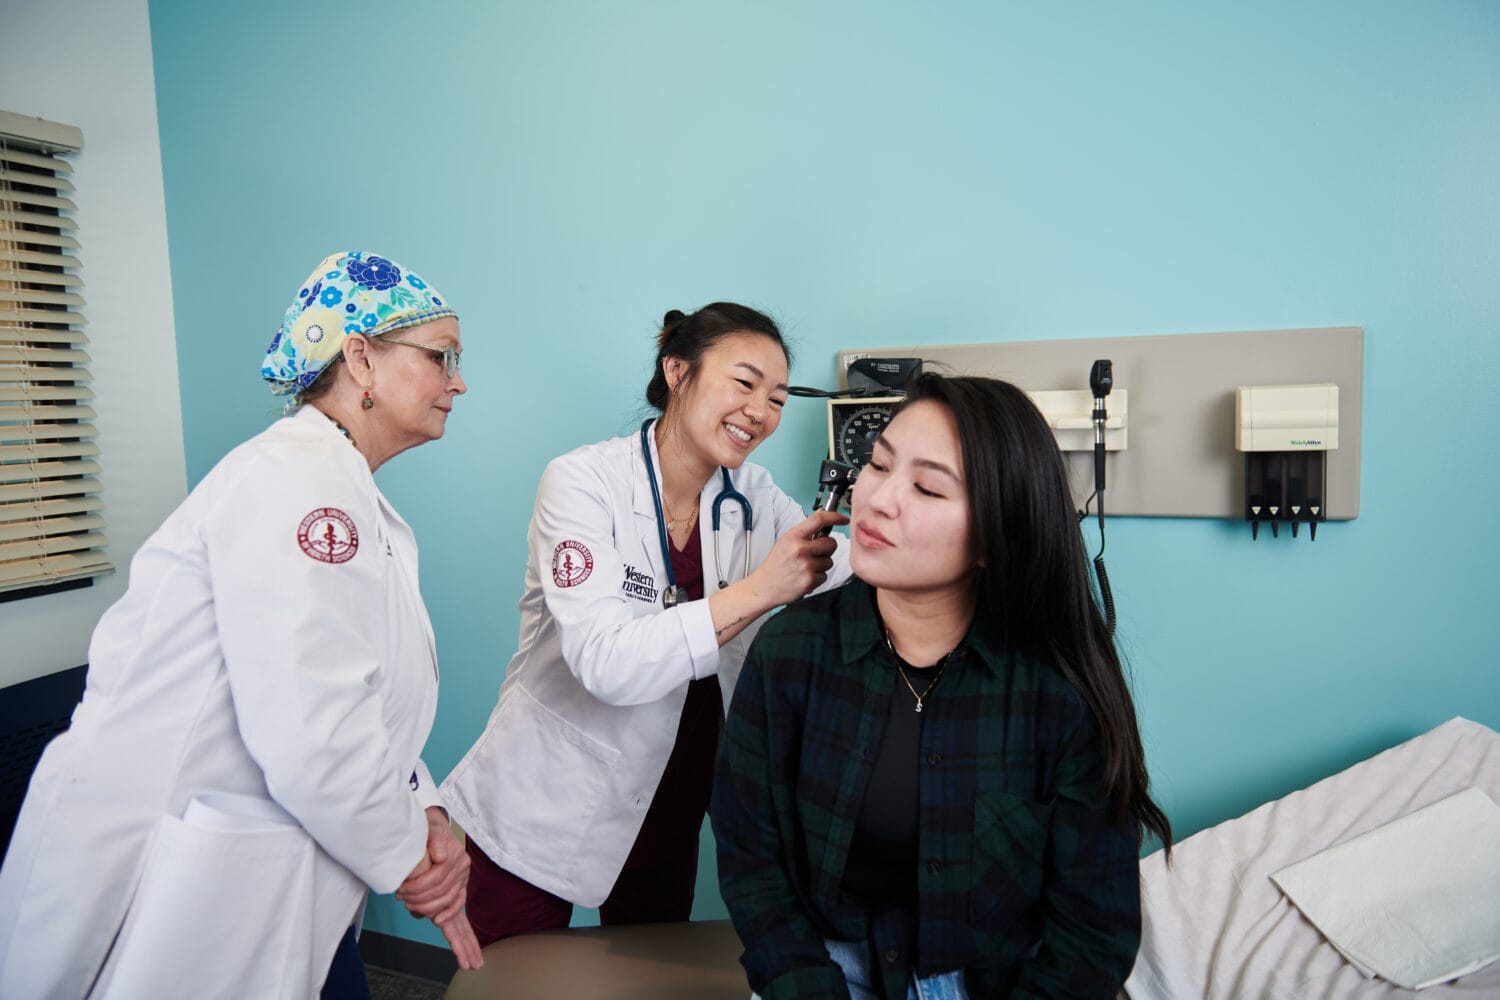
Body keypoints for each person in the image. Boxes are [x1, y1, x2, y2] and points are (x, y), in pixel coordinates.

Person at [0, 251, 483, 1000]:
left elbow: (364, 699)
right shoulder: (295, 482)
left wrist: (425, 811)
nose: (458, 381)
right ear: (360, 357)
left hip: (261, 861)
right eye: (440, 356)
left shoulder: (344, 492)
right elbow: (313, 731)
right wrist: (413, 860)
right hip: (162, 864)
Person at [711, 374, 1174, 999]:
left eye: (928, 487)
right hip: (824, 972)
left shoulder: (1057, 689)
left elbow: (1091, 929)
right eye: (878, 464)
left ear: (993, 537)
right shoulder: (792, 653)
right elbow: (752, 861)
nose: (878, 499)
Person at [441, 302, 851, 943]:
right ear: (678, 371)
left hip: (672, 792)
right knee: (508, 977)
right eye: (744, 384)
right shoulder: (583, 483)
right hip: (549, 792)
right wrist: (762, 589)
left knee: (646, 975)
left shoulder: (754, 496)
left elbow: (836, 561)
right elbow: (607, 663)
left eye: (777, 399)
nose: (761, 413)